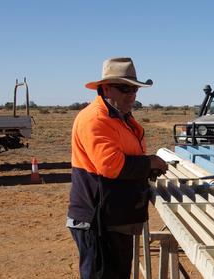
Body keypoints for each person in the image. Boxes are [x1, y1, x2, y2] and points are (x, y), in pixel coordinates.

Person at [67, 57, 168, 278]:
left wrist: (146, 167)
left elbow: (127, 157)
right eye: (125, 88)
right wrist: (150, 162)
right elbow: (112, 166)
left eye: (134, 89)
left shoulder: (120, 118)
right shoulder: (95, 119)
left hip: (115, 218)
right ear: (105, 88)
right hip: (98, 221)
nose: (131, 95)